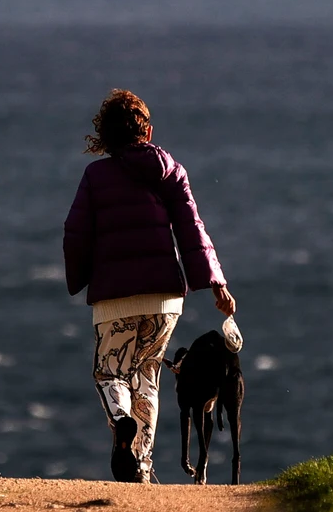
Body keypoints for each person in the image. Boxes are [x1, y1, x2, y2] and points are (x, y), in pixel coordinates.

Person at [63, 90, 236, 483]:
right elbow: (193, 229)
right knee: (147, 374)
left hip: (115, 299)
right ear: (149, 131)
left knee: (111, 374)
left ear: (105, 137)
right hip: (165, 299)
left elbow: (75, 234)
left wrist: (80, 278)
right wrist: (216, 284)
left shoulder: (95, 176)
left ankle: (123, 423)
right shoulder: (171, 171)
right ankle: (140, 464)